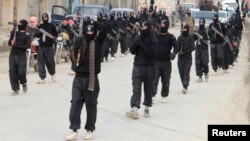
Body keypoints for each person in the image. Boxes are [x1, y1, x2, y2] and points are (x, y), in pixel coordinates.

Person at [65, 24, 103, 141]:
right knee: (75, 103)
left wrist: (98, 21)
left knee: (91, 105)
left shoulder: (98, 42)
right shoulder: (80, 40)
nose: (89, 34)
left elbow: (104, 29)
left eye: (92, 32)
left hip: (91, 79)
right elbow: (73, 54)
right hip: (78, 78)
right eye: (87, 32)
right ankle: (74, 129)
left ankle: (90, 130)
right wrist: (76, 52)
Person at [126, 21, 156, 119]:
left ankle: (147, 107)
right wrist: (136, 42)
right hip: (137, 66)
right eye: (142, 28)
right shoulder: (139, 37)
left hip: (149, 67)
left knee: (148, 89)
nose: (143, 30)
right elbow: (133, 51)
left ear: (149, 28)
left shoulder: (153, 39)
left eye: (145, 28)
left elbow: (152, 53)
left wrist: (142, 44)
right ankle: (135, 108)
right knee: (136, 88)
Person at [152, 19, 177, 103]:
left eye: (164, 26)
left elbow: (176, 47)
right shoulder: (156, 36)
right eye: (161, 25)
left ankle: (164, 95)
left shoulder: (171, 37)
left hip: (166, 62)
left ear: (167, 26)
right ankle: (152, 95)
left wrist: (174, 54)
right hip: (156, 62)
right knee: (154, 79)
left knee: (166, 80)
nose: (162, 27)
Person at [8, 19, 31, 95]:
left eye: (21, 24)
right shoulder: (15, 33)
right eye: (19, 24)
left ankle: (24, 83)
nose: (19, 25)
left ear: (25, 26)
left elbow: (28, 46)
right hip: (13, 55)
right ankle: (15, 89)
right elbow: (10, 43)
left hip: (21, 55)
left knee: (21, 72)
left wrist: (16, 45)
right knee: (12, 72)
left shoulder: (27, 35)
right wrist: (11, 38)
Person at [36, 13, 58, 84]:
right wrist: (39, 33)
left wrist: (52, 37)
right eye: (43, 17)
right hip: (41, 46)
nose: (45, 18)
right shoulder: (40, 26)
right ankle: (42, 77)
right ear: (42, 18)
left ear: (48, 18)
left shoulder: (52, 26)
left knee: (50, 62)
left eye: (46, 17)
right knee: (40, 62)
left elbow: (56, 34)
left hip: (49, 47)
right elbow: (36, 34)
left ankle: (53, 74)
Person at [177, 23, 195, 94]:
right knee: (181, 72)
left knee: (186, 72)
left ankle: (185, 86)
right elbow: (177, 47)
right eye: (183, 29)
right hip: (180, 58)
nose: (184, 30)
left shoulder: (191, 37)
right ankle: (184, 84)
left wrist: (184, 52)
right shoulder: (180, 38)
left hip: (188, 58)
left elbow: (193, 47)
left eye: (185, 29)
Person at [194, 18, 209, 83]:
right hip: (198, 48)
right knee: (198, 63)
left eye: (202, 23)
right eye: (200, 22)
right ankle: (200, 77)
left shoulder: (206, 30)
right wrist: (194, 34)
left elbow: (208, 38)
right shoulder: (197, 29)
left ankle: (206, 73)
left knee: (205, 63)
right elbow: (194, 39)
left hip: (204, 48)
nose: (201, 24)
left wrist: (204, 37)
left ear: (204, 23)